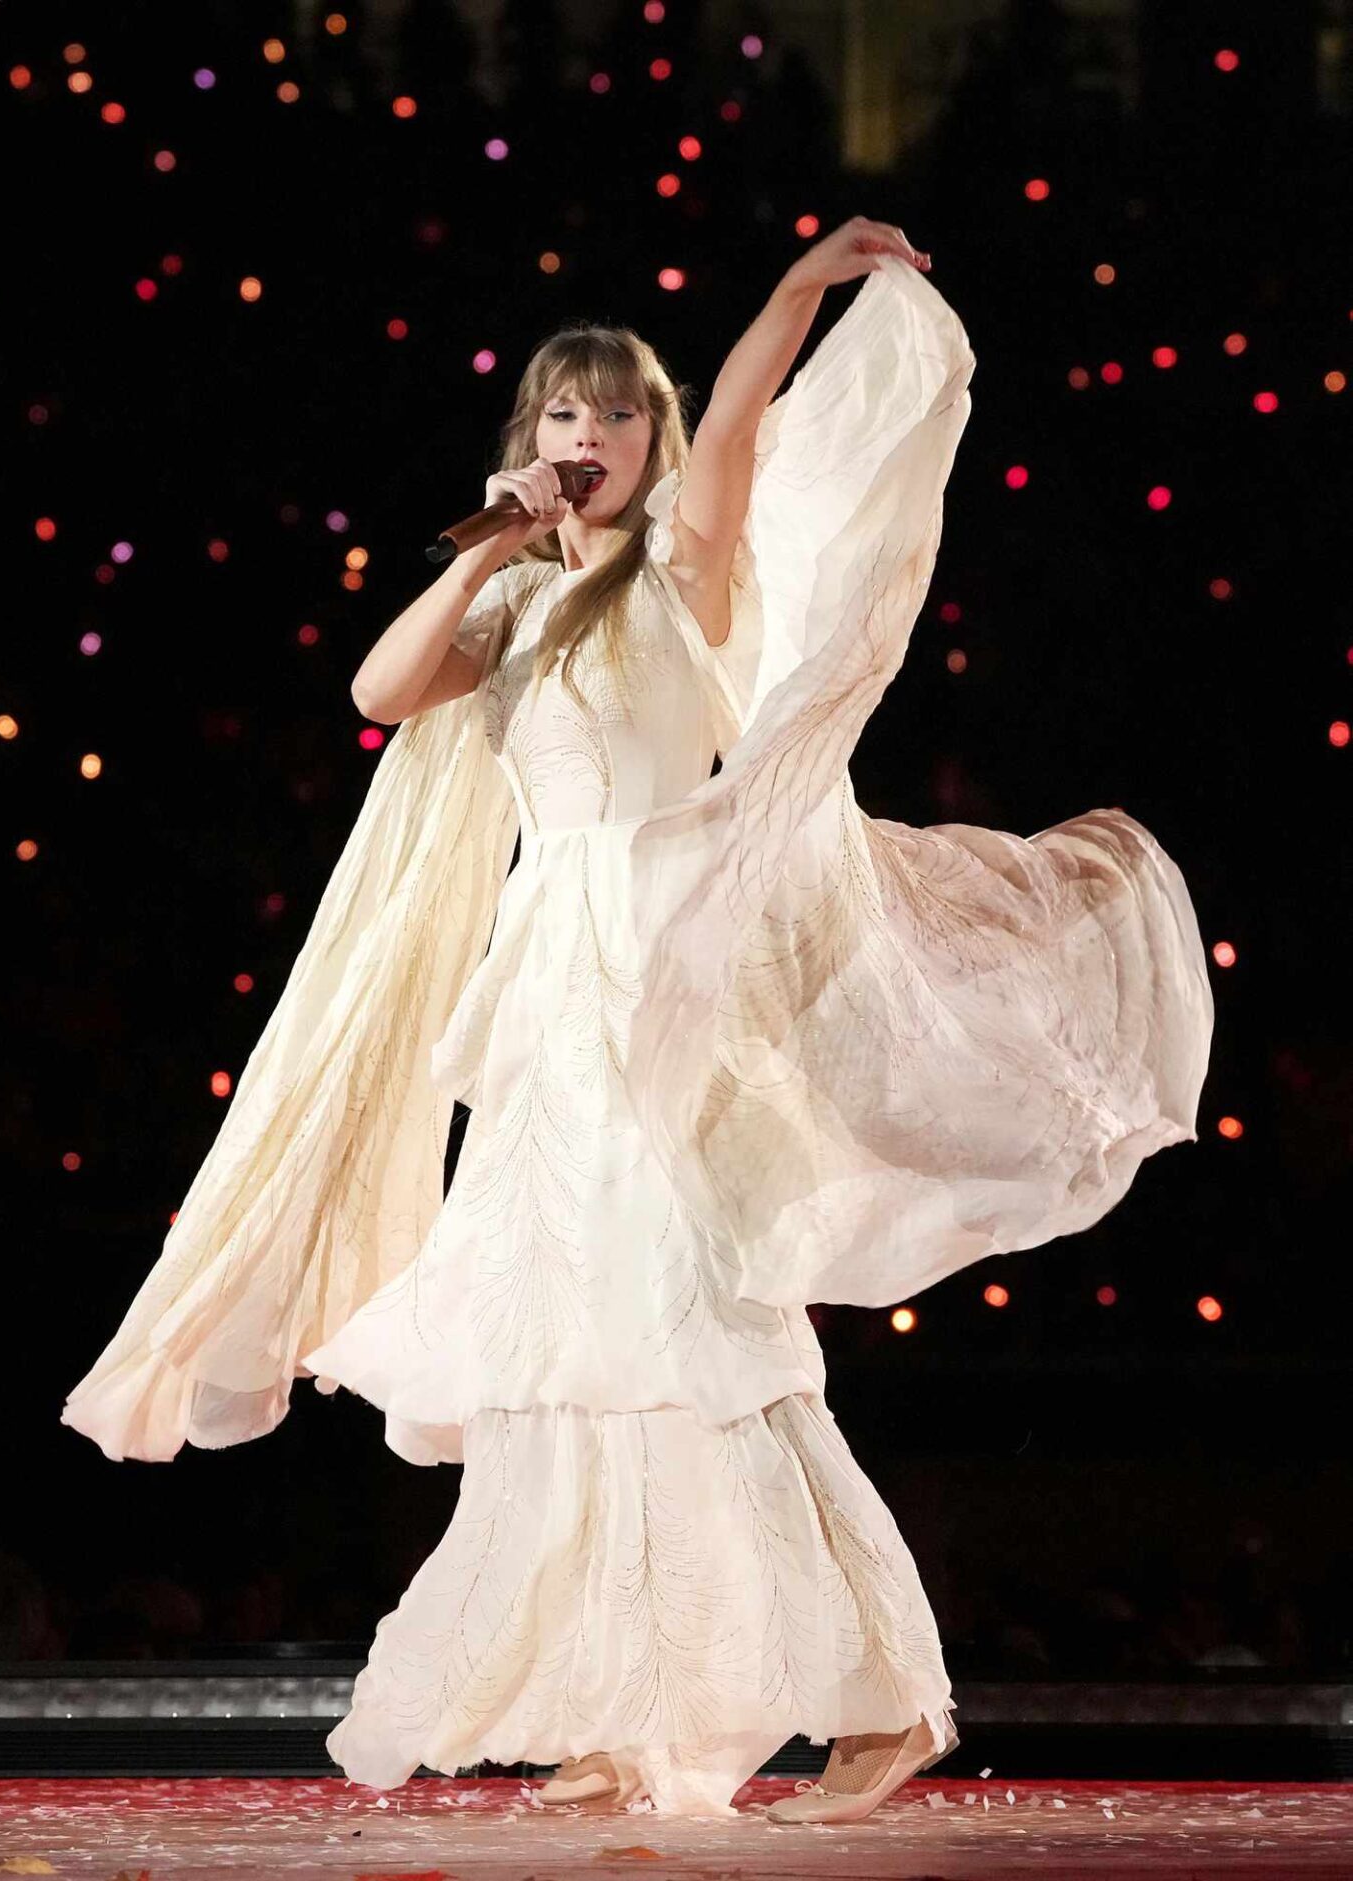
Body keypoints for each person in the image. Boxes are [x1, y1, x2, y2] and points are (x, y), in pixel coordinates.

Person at [61, 219, 1215, 1822]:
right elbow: (377, 694)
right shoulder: (517, 608)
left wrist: (803, 287)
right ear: (525, 440)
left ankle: (889, 1696)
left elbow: (738, 417)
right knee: (563, 1348)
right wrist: (486, 546)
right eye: (561, 415)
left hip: (664, 980)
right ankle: (625, 1706)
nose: (586, 437)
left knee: (703, 1334)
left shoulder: (688, 570)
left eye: (613, 415)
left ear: (650, 444)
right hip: (548, 995)